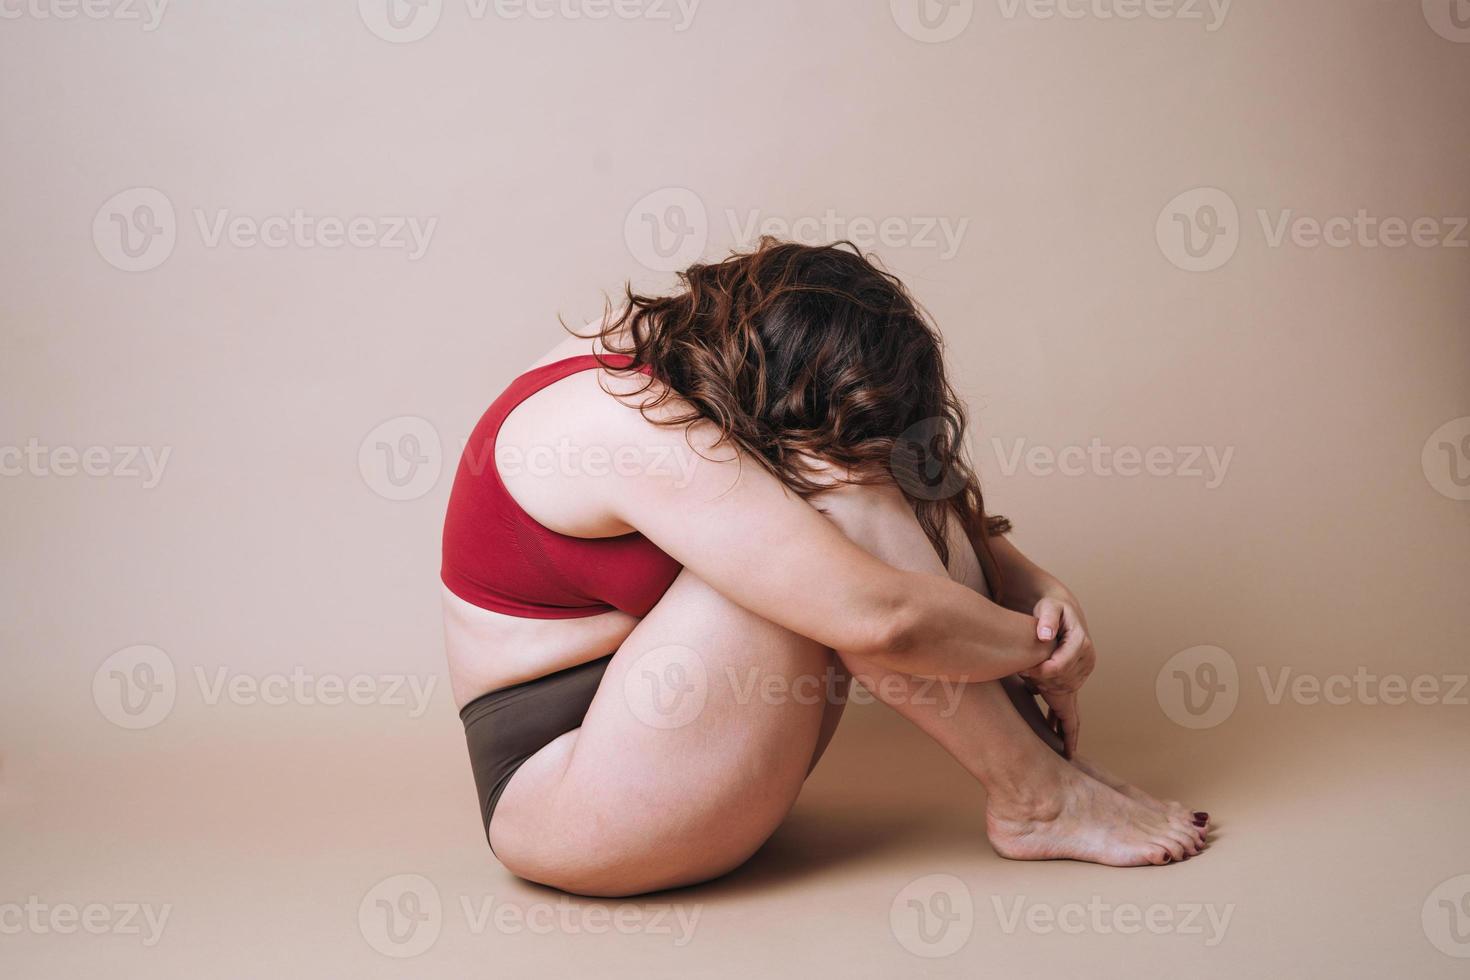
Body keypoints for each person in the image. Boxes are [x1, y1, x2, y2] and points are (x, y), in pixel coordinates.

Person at [441, 239, 1209, 897]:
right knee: (834, 515)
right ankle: (1038, 796)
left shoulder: (721, 353)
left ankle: (1044, 775)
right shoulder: (618, 420)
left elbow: (887, 477)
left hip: (674, 733)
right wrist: (1043, 652)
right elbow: (884, 620)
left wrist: (1035, 586)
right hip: (572, 804)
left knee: (848, 480)